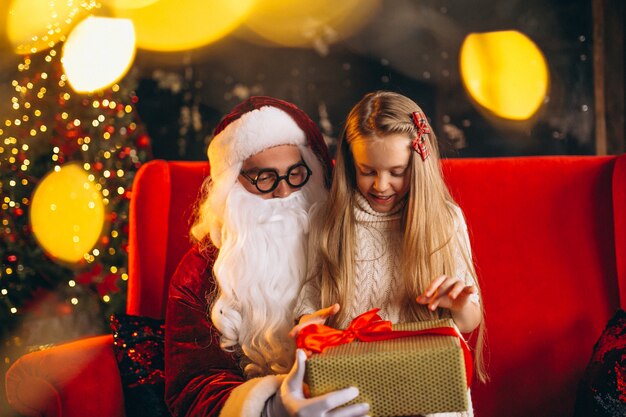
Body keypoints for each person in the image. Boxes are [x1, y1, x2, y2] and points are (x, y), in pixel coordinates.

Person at [164, 96, 370, 417]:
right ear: (233, 184)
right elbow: (191, 383)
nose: (284, 192)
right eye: (264, 178)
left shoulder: (347, 238)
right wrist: (271, 409)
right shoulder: (202, 268)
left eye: (295, 173)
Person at [294, 90, 487, 417]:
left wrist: (460, 304)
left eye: (397, 172)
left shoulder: (445, 219)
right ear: (349, 163)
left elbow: (470, 321)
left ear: (420, 163)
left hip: (428, 385)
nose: (381, 185)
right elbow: (309, 304)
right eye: (367, 170)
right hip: (351, 386)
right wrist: (307, 326)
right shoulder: (326, 221)